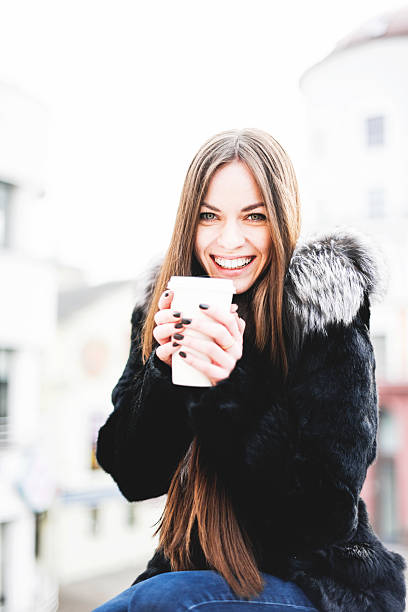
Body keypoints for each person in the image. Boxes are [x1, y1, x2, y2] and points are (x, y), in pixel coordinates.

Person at [94, 128, 406, 611]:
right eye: (209, 216)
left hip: (320, 584)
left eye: (253, 216)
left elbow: (324, 513)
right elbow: (134, 475)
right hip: (197, 569)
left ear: (280, 219)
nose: (229, 239)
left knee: (157, 604)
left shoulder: (324, 314)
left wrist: (231, 387)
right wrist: (162, 373)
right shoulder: (168, 308)